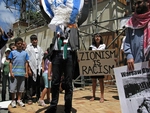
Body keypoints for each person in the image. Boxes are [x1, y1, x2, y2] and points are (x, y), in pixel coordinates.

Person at [124, 0, 150, 71]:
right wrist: (129, 56)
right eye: (135, 4)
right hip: (136, 66)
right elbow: (127, 43)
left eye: (139, 3)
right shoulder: (132, 22)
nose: (136, 6)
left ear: (147, 2)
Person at [9, 37, 29, 108]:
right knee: (13, 88)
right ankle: (13, 100)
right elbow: (10, 63)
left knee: (21, 88)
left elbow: (26, 63)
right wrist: (11, 72)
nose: (20, 45)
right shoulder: (12, 52)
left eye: (21, 43)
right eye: (18, 44)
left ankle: (19, 100)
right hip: (14, 73)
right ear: (15, 44)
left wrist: (26, 72)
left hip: (22, 73)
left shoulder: (25, 53)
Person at [25, 34, 44, 102]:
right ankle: (29, 98)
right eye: (33, 40)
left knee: (38, 83)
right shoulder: (28, 49)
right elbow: (27, 60)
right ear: (31, 41)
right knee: (30, 83)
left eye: (35, 40)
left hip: (38, 68)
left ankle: (38, 97)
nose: (34, 41)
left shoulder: (39, 48)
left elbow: (41, 58)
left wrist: (42, 67)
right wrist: (29, 69)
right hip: (31, 68)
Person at [88, 33, 105, 103]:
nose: (97, 38)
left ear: (100, 38)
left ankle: (102, 96)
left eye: (98, 36)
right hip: (93, 66)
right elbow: (87, 56)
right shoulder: (91, 47)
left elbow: (108, 55)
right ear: (94, 38)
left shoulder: (104, 46)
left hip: (101, 66)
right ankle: (93, 95)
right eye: (96, 37)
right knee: (93, 81)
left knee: (101, 81)